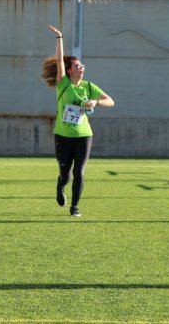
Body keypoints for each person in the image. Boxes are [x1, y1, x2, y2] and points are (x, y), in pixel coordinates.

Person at [42, 25, 114, 217]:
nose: (81, 68)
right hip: (63, 135)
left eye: (82, 66)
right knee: (65, 174)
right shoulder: (63, 83)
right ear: (70, 70)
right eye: (78, 66)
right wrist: (60, 38)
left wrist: (96, 102)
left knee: (79, 172)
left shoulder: (89, 87)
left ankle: (74, 207)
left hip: (84, 135)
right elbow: (59, 60)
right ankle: (60, 187)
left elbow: (111, 101)